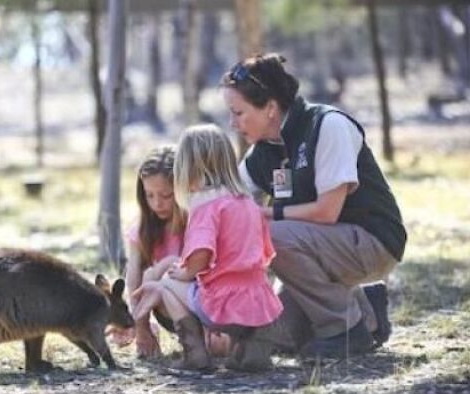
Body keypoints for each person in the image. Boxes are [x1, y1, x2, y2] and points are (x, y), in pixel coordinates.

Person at [220, 53, 407, 358]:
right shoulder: (262, 152)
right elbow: (230, 205)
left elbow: (327, 211)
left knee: (268, 233)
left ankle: (344, 330)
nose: (232, 123)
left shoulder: (327, 125)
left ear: (269, 108)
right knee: (277, 335)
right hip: (323, 248)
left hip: (373, 241)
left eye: (238, 112)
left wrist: (267, 213)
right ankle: (367, 311)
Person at [132, 125, 288, 372]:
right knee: (236, 304)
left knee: (165, 286)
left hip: (221, 305)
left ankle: (195, 354)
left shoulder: (206, 205)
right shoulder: (248, 202)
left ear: (190, 168)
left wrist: (184, 274)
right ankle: (250, 352)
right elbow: (265, 252)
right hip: (258, 301)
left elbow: (202, 254)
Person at [124, 146, 187, 358]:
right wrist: (140, 326)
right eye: (149, 196)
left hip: (199, 305)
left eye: (166, 195)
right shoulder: (143, 228)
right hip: (166, 309)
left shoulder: (196, 220)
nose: (157, 204)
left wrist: (168, 263)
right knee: (148, 274)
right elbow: (134, 277)